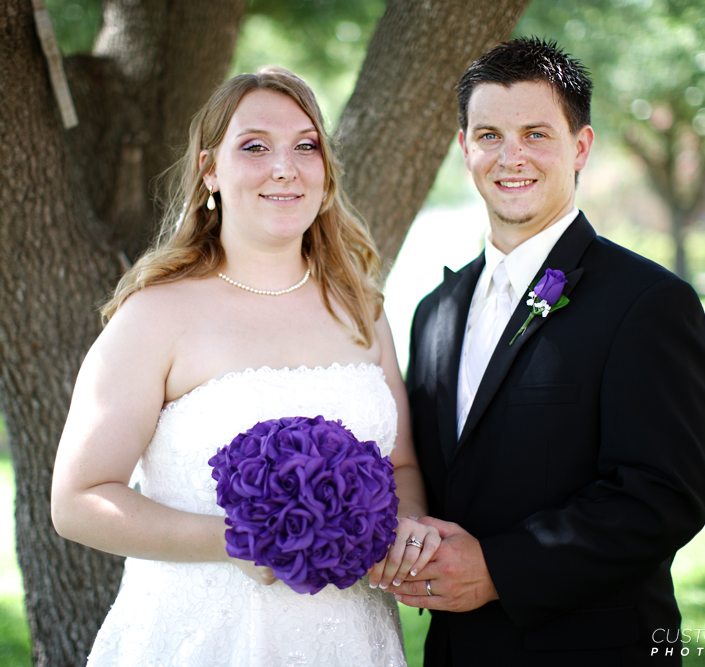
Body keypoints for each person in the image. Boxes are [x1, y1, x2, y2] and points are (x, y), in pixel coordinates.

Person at [50, 67, 439, 667]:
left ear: (325, 172)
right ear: (210, 169)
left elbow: (402, 464)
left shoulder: (363, 308)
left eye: (306, 146)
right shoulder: (154, 315)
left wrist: (404, 526)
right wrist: (240, 542)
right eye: (255, 147)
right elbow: (78, 500)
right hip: (200, 639)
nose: (285, 167)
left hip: (350, 636)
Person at [393, 38, 705, 665]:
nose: (510, 156)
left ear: (581, 147)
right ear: (465, 149)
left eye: (535, 133)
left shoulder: (648, 301)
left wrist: (497, 569)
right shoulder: (434, 313)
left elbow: (662, 495)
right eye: (488, 134)